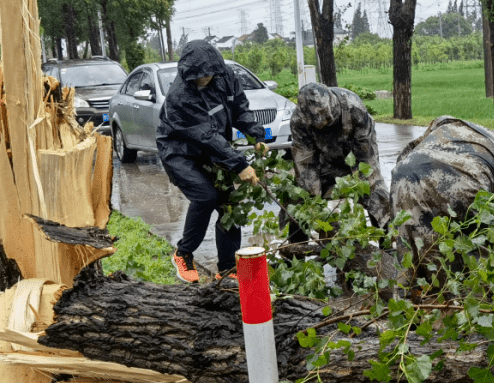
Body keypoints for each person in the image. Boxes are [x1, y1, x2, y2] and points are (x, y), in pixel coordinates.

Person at [156, 40, 265, 283]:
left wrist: (256, 134)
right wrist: (239, 165)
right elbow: (204, 134)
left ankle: (227, 270)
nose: (204, 78)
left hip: (212, 149)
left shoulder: (226, 76)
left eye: (208, 74)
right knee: (206, 196)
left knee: (229, 206)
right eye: (199, 75)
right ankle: (183, 253)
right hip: (180, 151)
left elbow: (239, 107)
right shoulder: (180, 96)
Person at [390, 117, 494, 280]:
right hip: (460, 186)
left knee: (409, 257)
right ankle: (462, 298)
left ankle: (407, 297)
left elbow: (411, 149)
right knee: (477, 262)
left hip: (403, 175)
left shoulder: (467, 129)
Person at [288, 82, 390, 232]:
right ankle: (297, 249)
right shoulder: (299, 121)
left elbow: (365, 157)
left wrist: (360, 181)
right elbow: (305, 164)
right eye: (316, 123)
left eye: (325, 120)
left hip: (355, 152)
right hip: (325, 158)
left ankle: (386, 241)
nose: (321, 125)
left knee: (374, 191)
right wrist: (314, 207)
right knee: (301, 198)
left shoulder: (353, 108)